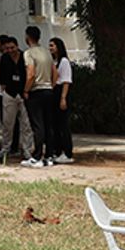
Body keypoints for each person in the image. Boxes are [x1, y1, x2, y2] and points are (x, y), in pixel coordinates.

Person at [0, 35, 36, 164]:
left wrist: (26, 90)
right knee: (7, 124)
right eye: (8, 48)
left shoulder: (25, 56)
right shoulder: (4, 58)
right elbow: (2, 77)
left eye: (12, 47)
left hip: (23, 93)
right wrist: (4, 91)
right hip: (9, 93)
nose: (10, 50)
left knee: (26, 124)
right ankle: (5, 148)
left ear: (17, 46)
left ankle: (27, 149)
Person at [23, 26, 58, 167]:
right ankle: (49, 156)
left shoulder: (29, 53)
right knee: (48, 124)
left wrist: (26, 90)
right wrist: (51, 86)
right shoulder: (47, 52)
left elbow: (31, 74)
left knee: (37, 125)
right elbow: (55, 73)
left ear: (27, 37)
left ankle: (37, 156)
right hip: (48, 90)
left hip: (36, 91)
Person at [48, 37, 74, 165]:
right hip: (53, 93)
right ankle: (57, 150)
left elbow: (66, 81)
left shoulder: (64, 62)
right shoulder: (53, 61)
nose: (50, 48)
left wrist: (63, 98)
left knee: (63, 124)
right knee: (55, 124)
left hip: (60, 92)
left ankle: (67, 152)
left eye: (52, 45)